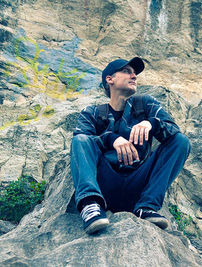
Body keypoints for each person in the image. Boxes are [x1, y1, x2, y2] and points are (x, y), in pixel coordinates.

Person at [70, 57, 191, 234]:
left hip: (138, 184)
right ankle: (90, 206)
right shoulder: (92, 113)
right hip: (104, 185)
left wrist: (152, 124)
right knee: (80, 140)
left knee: (181, 141)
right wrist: (111, 139)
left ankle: (147, 207)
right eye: (127, 71)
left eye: (135, 73)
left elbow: (174, 131)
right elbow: (82, 141)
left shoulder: (146, 104)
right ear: (109, 79)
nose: (134, 76)